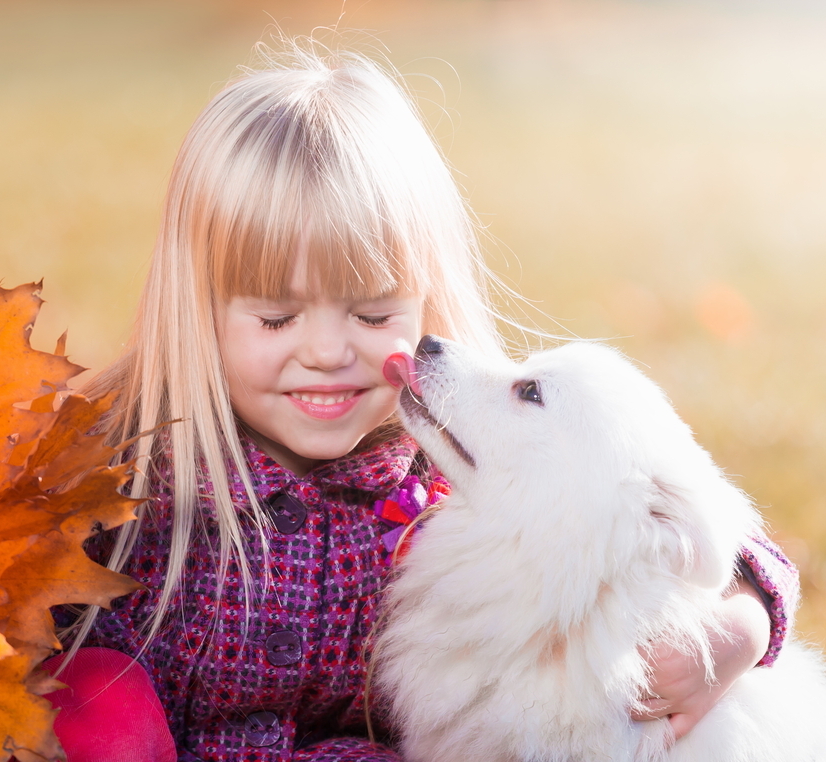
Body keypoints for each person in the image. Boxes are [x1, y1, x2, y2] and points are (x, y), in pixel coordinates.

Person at [51, 36, 799, 762]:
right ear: (198, 312)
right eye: (277, 317)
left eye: (374, 316)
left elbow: (662, 516)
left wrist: (739, 626)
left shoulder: (456, 472)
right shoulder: (117, 476)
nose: (327, 352)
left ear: (424, 300)